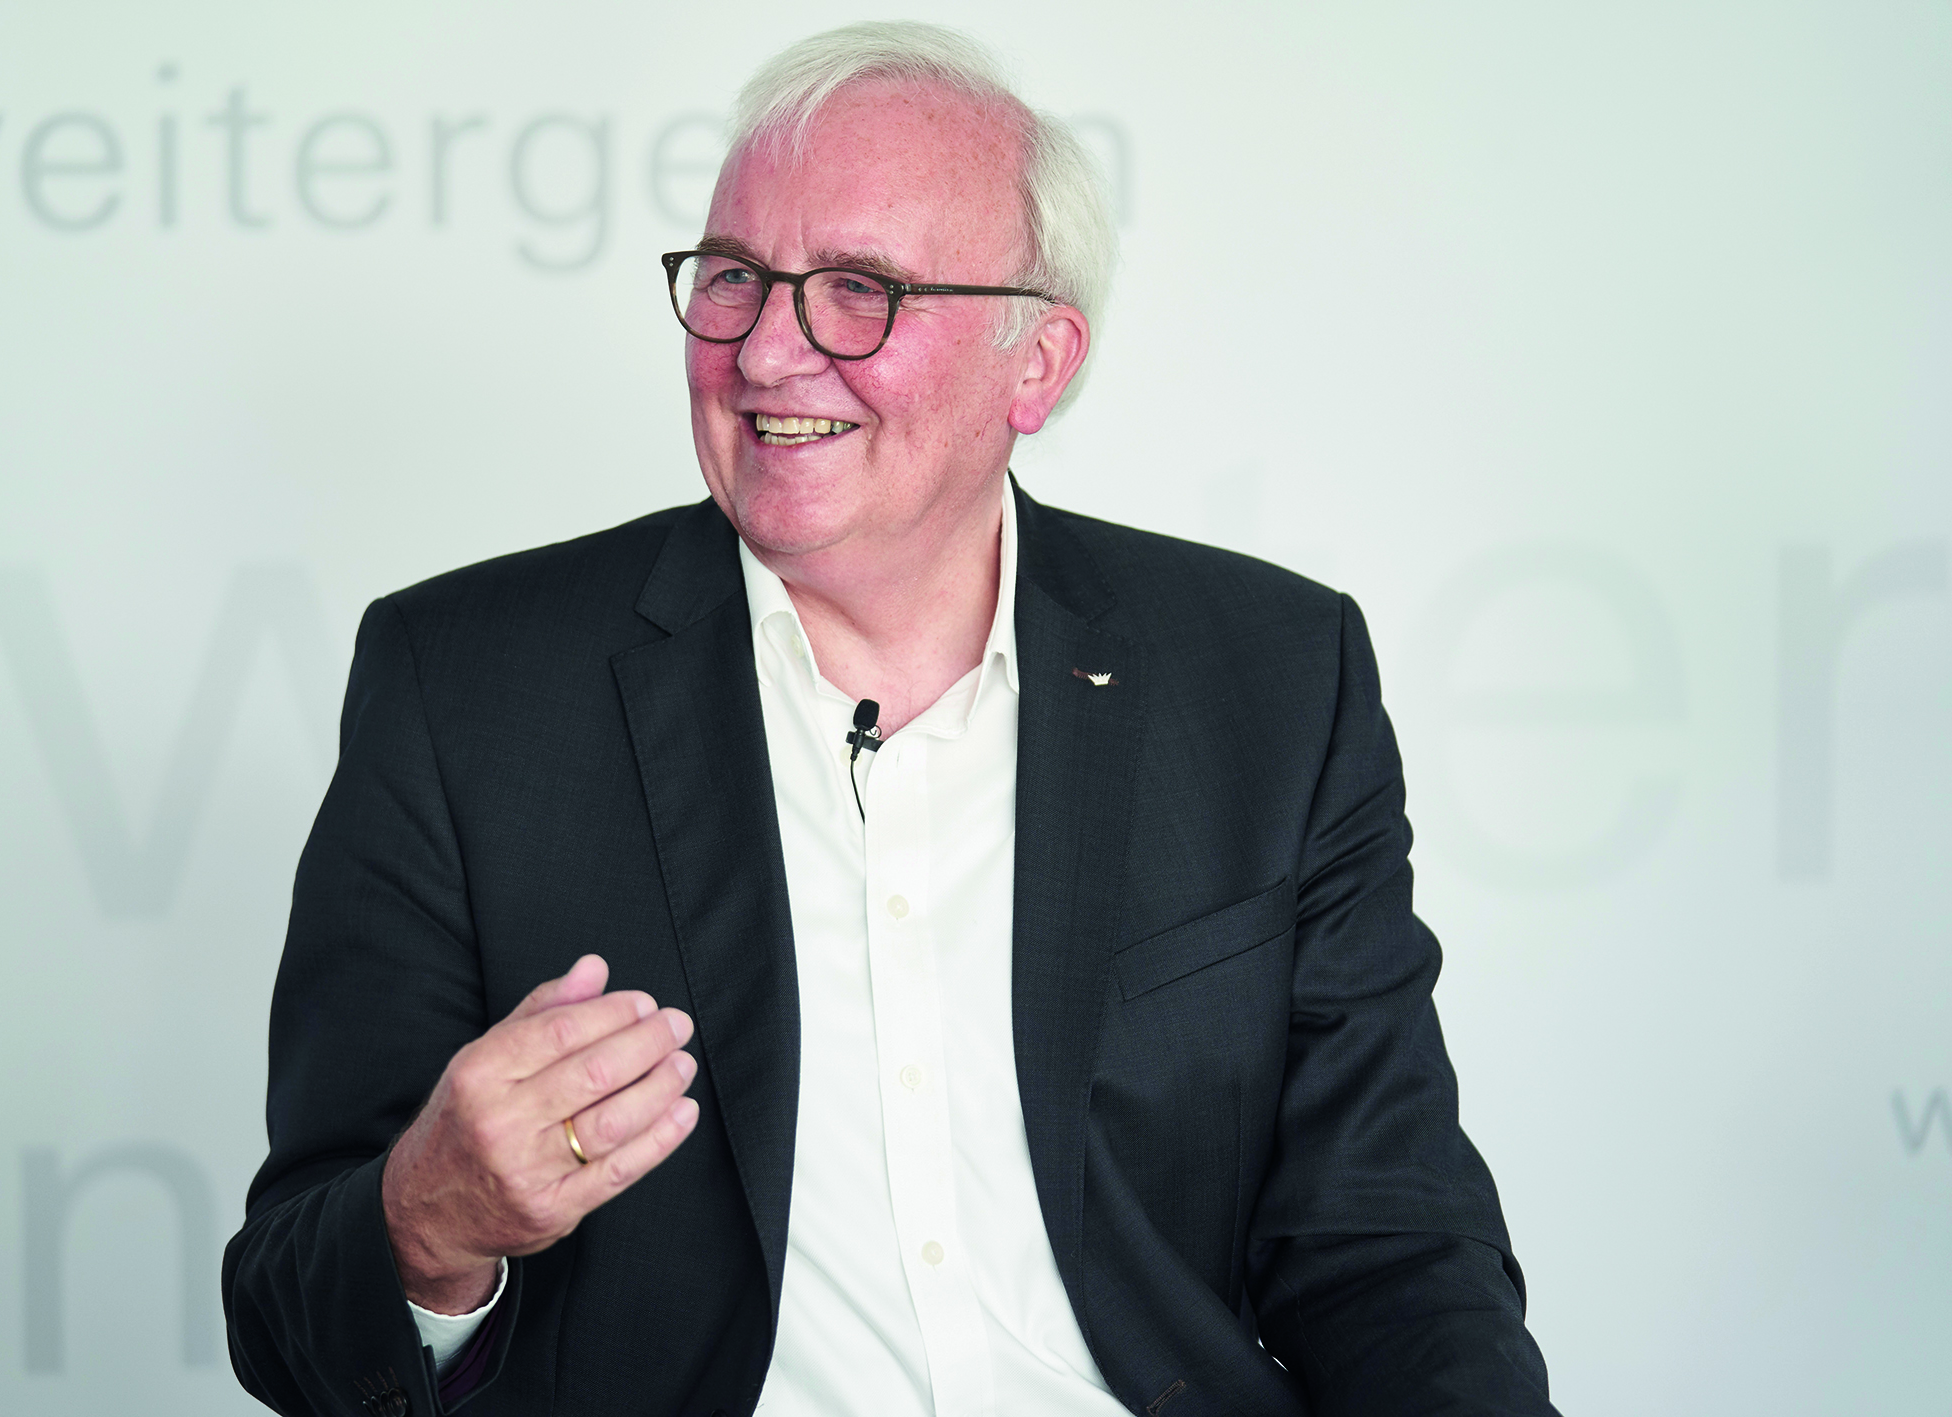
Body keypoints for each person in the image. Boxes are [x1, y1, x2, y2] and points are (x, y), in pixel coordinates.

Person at [222, 21, 1557, 1417]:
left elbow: (1388, 1246)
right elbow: (287, 1310)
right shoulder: (466, 685)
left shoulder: (1272, 678)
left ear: (1035, 363)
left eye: (859, 290)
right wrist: (427, 1223)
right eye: (733, 278)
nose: (767, 351)